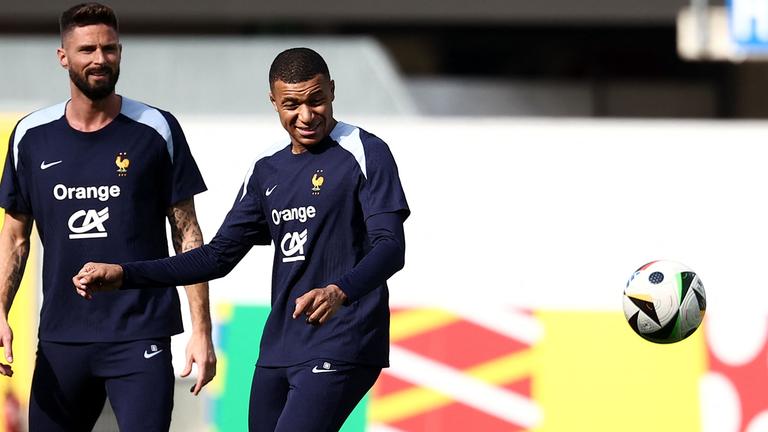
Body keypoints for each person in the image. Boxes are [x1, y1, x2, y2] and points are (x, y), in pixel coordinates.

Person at [74, 47, 409, 431]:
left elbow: (391, 248)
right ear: (274, 102)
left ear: (332, 90)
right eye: (292, 104)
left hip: (345, 337)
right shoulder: (267, 169)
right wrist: (123, 274)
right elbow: (217, 257)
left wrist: (339, 291)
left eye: (316, 100)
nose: (306, 115)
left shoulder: (366, 151)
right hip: (279, 346)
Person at [0, 3, 216, 431]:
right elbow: (15, 238)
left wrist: (201, 331)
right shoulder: (30, 135)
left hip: (140, 333)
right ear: (64, 56)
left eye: (109, 48)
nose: (100, 59)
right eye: (87, 50)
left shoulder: (156, 128)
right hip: (62, 337)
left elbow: (188, 235)